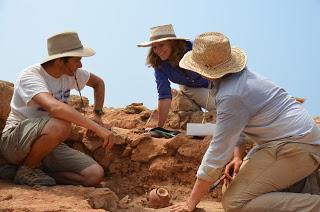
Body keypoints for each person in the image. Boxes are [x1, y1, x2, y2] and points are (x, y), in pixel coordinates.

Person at [170, 32, 320, 211]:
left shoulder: (232, 94)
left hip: (296, 147)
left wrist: (190, 203)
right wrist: (238, 157)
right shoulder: (237, 78)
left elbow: (216, 154)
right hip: (282, 143)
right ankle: (301, 188)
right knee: (231, 188)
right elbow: (238, 124)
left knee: (235, 203)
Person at [0, 31, 113, 187]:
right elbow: (55, 108)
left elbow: (98, 83)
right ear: (60, 60)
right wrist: (97, 128)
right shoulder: (31, 75)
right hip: (15, 141)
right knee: (61, 124)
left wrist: (97, 114)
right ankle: (27, 169)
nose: (80, 65)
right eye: (77, 60)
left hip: (49, 142)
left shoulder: (71, 73)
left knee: (94, 175)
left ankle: (22, 171)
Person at [137, 24, 215, 127]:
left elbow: (217, 67)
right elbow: (164, 95)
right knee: (219, 107)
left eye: (161, 45)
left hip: (218, 83)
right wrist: (160, 128)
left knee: (233, 105)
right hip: (191, 88)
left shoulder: (194, 49)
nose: (158, 51)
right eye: (154, 47)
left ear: (172, 42)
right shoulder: (159, 64)